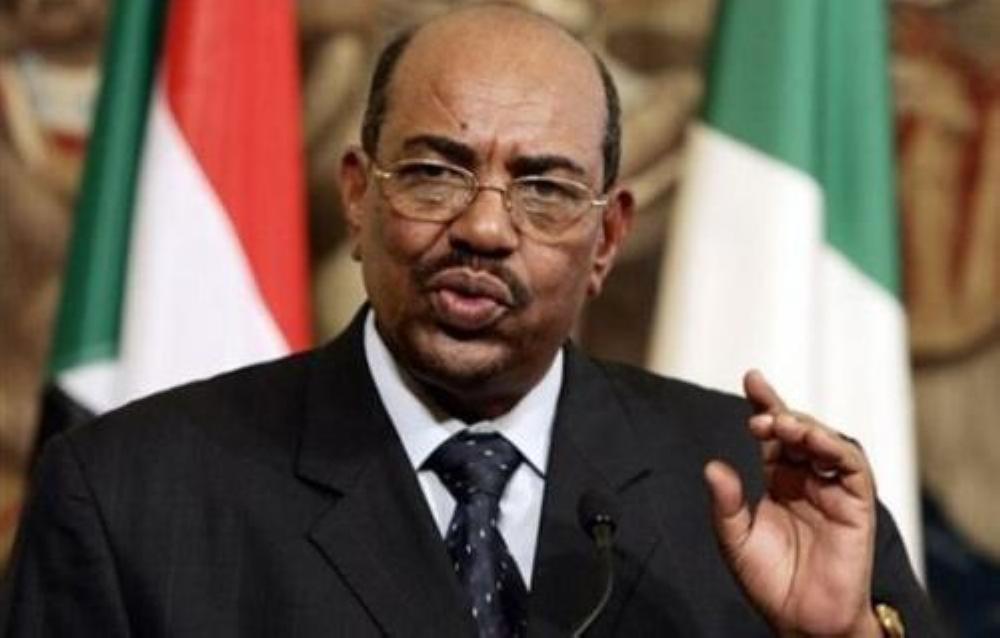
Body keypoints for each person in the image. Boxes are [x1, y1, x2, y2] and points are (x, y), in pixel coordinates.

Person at [1, 4, 940, 636]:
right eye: (435, 172)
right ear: (359, 197)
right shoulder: (131, 495)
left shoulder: (760, 492)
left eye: (544, 188)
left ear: (607, 239)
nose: (484, 228)